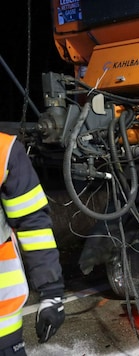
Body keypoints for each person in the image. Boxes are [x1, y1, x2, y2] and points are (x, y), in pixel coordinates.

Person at [0, 132, 65, 355]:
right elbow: (33, 224)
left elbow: (33, 225)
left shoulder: (5, 150)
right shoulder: (4, 149)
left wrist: (52, 292)